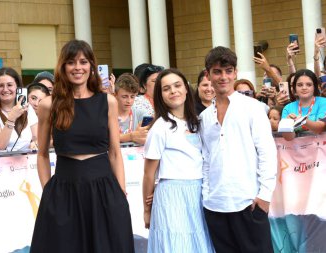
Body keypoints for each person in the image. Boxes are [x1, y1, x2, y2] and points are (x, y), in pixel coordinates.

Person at [30, 39, 134, 253]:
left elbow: (114, 152)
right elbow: (41, 154)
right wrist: (48, 190)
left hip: (104, 191)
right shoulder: (49, 104)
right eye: (71, 62)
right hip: (63, 192)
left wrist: (120, 191)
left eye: (83, 62)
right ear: (63, 67)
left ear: (91, 66)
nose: (78, 67)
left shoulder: (108, 102)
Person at [200, 46, 277, 253]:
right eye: (217, 71)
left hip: (249, 202)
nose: (223, 76)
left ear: (235, 72)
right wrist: (207, 195)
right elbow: (207, 159)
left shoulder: (252, 107)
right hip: (215, 205)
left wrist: (264, 197)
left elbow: (267, 153)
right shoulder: (204, 117)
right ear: (208, 74)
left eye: (228, 71)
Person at [143, 68, 214, 252]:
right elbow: (149, 174)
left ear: (186, 88)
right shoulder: (159, 128)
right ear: (160, 95)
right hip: (171, 196)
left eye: (177, 85)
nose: (173, 91)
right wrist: (147, 210)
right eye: (166, 88)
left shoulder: (198, 122)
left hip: (199, 193)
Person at [0, 67, 38, 151]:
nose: (5, 89)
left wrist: (35, 143)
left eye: (9, 85)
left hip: (26, 161)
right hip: (0, 162)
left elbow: (37, 137)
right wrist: (11, 118)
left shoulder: (28, 108)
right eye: (1, 86)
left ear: (18, 87)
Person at [281, 69, 326, 141]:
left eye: (309, 84)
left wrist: (303, 120)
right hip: (296, 151)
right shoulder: (288, 108)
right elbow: (288, 138)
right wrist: (287, 124)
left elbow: (320, 128)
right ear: (294, 88)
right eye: (299, 85)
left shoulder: (324, 102)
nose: (304, 88)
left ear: (315, 87)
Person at [114, 73, 149, 144]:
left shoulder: (141, 114)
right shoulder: (107, 114)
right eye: (124, 96)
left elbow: (149, 138)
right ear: (116, 95)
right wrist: (131, 136)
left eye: (132, 97)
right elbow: (103, 138)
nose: (129, 101)